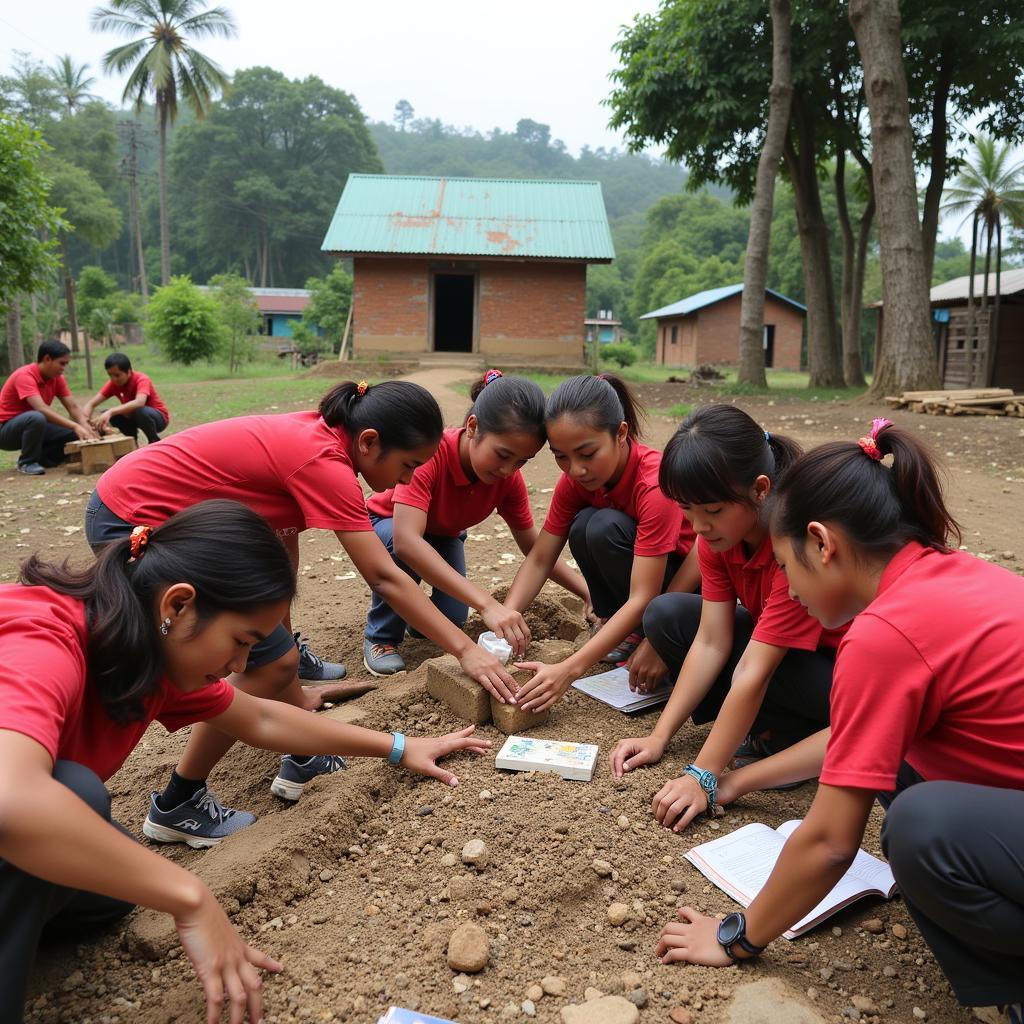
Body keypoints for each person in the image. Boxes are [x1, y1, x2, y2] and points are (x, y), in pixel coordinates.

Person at [0, 499, 489, 1024]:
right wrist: (190, 897)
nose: (238, 665)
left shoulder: (147, 648)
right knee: (76, 795)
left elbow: (262, 720)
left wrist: (398, 746)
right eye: (240, 642)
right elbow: (14, 799)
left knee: (108, 888)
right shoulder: (41, 638)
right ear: (177, 606)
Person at [654, 419, 1024, 1024]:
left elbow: (829, 843)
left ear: (822, 543)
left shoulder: (884, 634)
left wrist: (737, 937)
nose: (789, 590)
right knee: (903, 766)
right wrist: (738, 781)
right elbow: (856, 746)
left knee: (922, 829)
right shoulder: (941, 569)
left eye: (786, 566)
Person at [83, 380, 517, 843]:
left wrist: (285, 661)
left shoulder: (324, 441)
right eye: (407, 465)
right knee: (262, 668)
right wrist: (465, 648)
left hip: (148, 506)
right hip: (136, 518)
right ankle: (180, 800)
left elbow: (277, 548)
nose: (407, 480)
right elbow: (386, 576)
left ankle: (302, 752)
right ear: (369, 442)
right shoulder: (325, 465)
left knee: (276, 660)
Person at [609, 404, 846, 833]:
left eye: (713, 511)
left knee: (753, 667)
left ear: (759, 489)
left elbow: (755, 670)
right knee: (669, 614)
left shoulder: (794, 548)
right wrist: (659, 736)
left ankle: (793, 735)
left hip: (836, 677)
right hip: (783, 655)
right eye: (687, 511)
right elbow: (710, 642)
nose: (698, 526)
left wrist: (704, 775)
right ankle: (773, 730)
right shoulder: (716, 541)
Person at [362, 370, 590, 675]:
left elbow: (535, 548)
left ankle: (416, 619)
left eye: (522, 461)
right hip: (389, 527)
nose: (509, 469)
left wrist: (586, 591)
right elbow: (407, 541)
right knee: (398, 549)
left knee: (454, 616)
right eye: (503, 454)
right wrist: (486, 604)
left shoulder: (509, 481)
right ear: (473, 427)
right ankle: (381, 637)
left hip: (443, 536)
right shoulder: (433, 454)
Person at [503, 373, 699, 714]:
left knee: (603, 527)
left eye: (587, 453)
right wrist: (507, 614)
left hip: (683, 590)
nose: (576, 470)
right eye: (561, 457)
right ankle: (620, 626)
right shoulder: (575, 482)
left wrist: (571, 668)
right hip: (644, 587)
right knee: (584, 525)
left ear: (621, 434)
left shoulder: (654, 483)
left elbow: (645, 596)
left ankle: (644, 632)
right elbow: (540, 558)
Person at [0, 340, 98, 475]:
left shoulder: (57, 378)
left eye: (66, 364)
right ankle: (26, 462)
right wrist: (75, 426)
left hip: (35, 427)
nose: (64, 368)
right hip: (6, 431)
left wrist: (85, 428)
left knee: (74, 434)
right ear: (47, 359)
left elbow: (73, 407)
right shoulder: (25, 375)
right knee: (36, 417)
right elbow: (41, 408)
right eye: (61, 363)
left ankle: (43, 459)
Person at [82, 352, 169, 444]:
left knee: (139, 410)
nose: (113, 379)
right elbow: (91, 404)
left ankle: (154, 441)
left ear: (129, 371)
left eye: (117, 375)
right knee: (110, 415)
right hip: (135, 418)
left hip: (158, 418)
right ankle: (132, 443)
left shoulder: (142, 379)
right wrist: (85, 423)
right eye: (110, 375)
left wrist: (111, 412)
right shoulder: (113, 384)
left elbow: (140, 402)